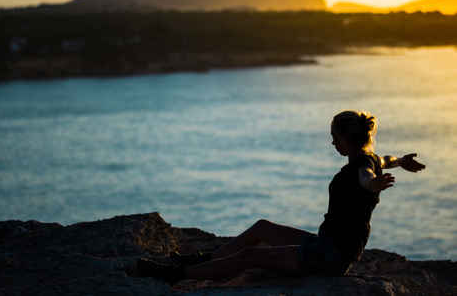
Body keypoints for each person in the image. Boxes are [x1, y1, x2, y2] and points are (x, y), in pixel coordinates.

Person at [137, 110, 426, 287]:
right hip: (324, 243)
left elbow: (366, 178)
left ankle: (178, 275)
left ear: (348, 138)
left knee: (251, 257)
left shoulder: (361, 168)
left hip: (332, 258)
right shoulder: (370, 157)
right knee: (262, 227)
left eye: (334, 136)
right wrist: (400, 161)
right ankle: (202, 259)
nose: (332, 142)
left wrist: (373, 185)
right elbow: (384, 160)